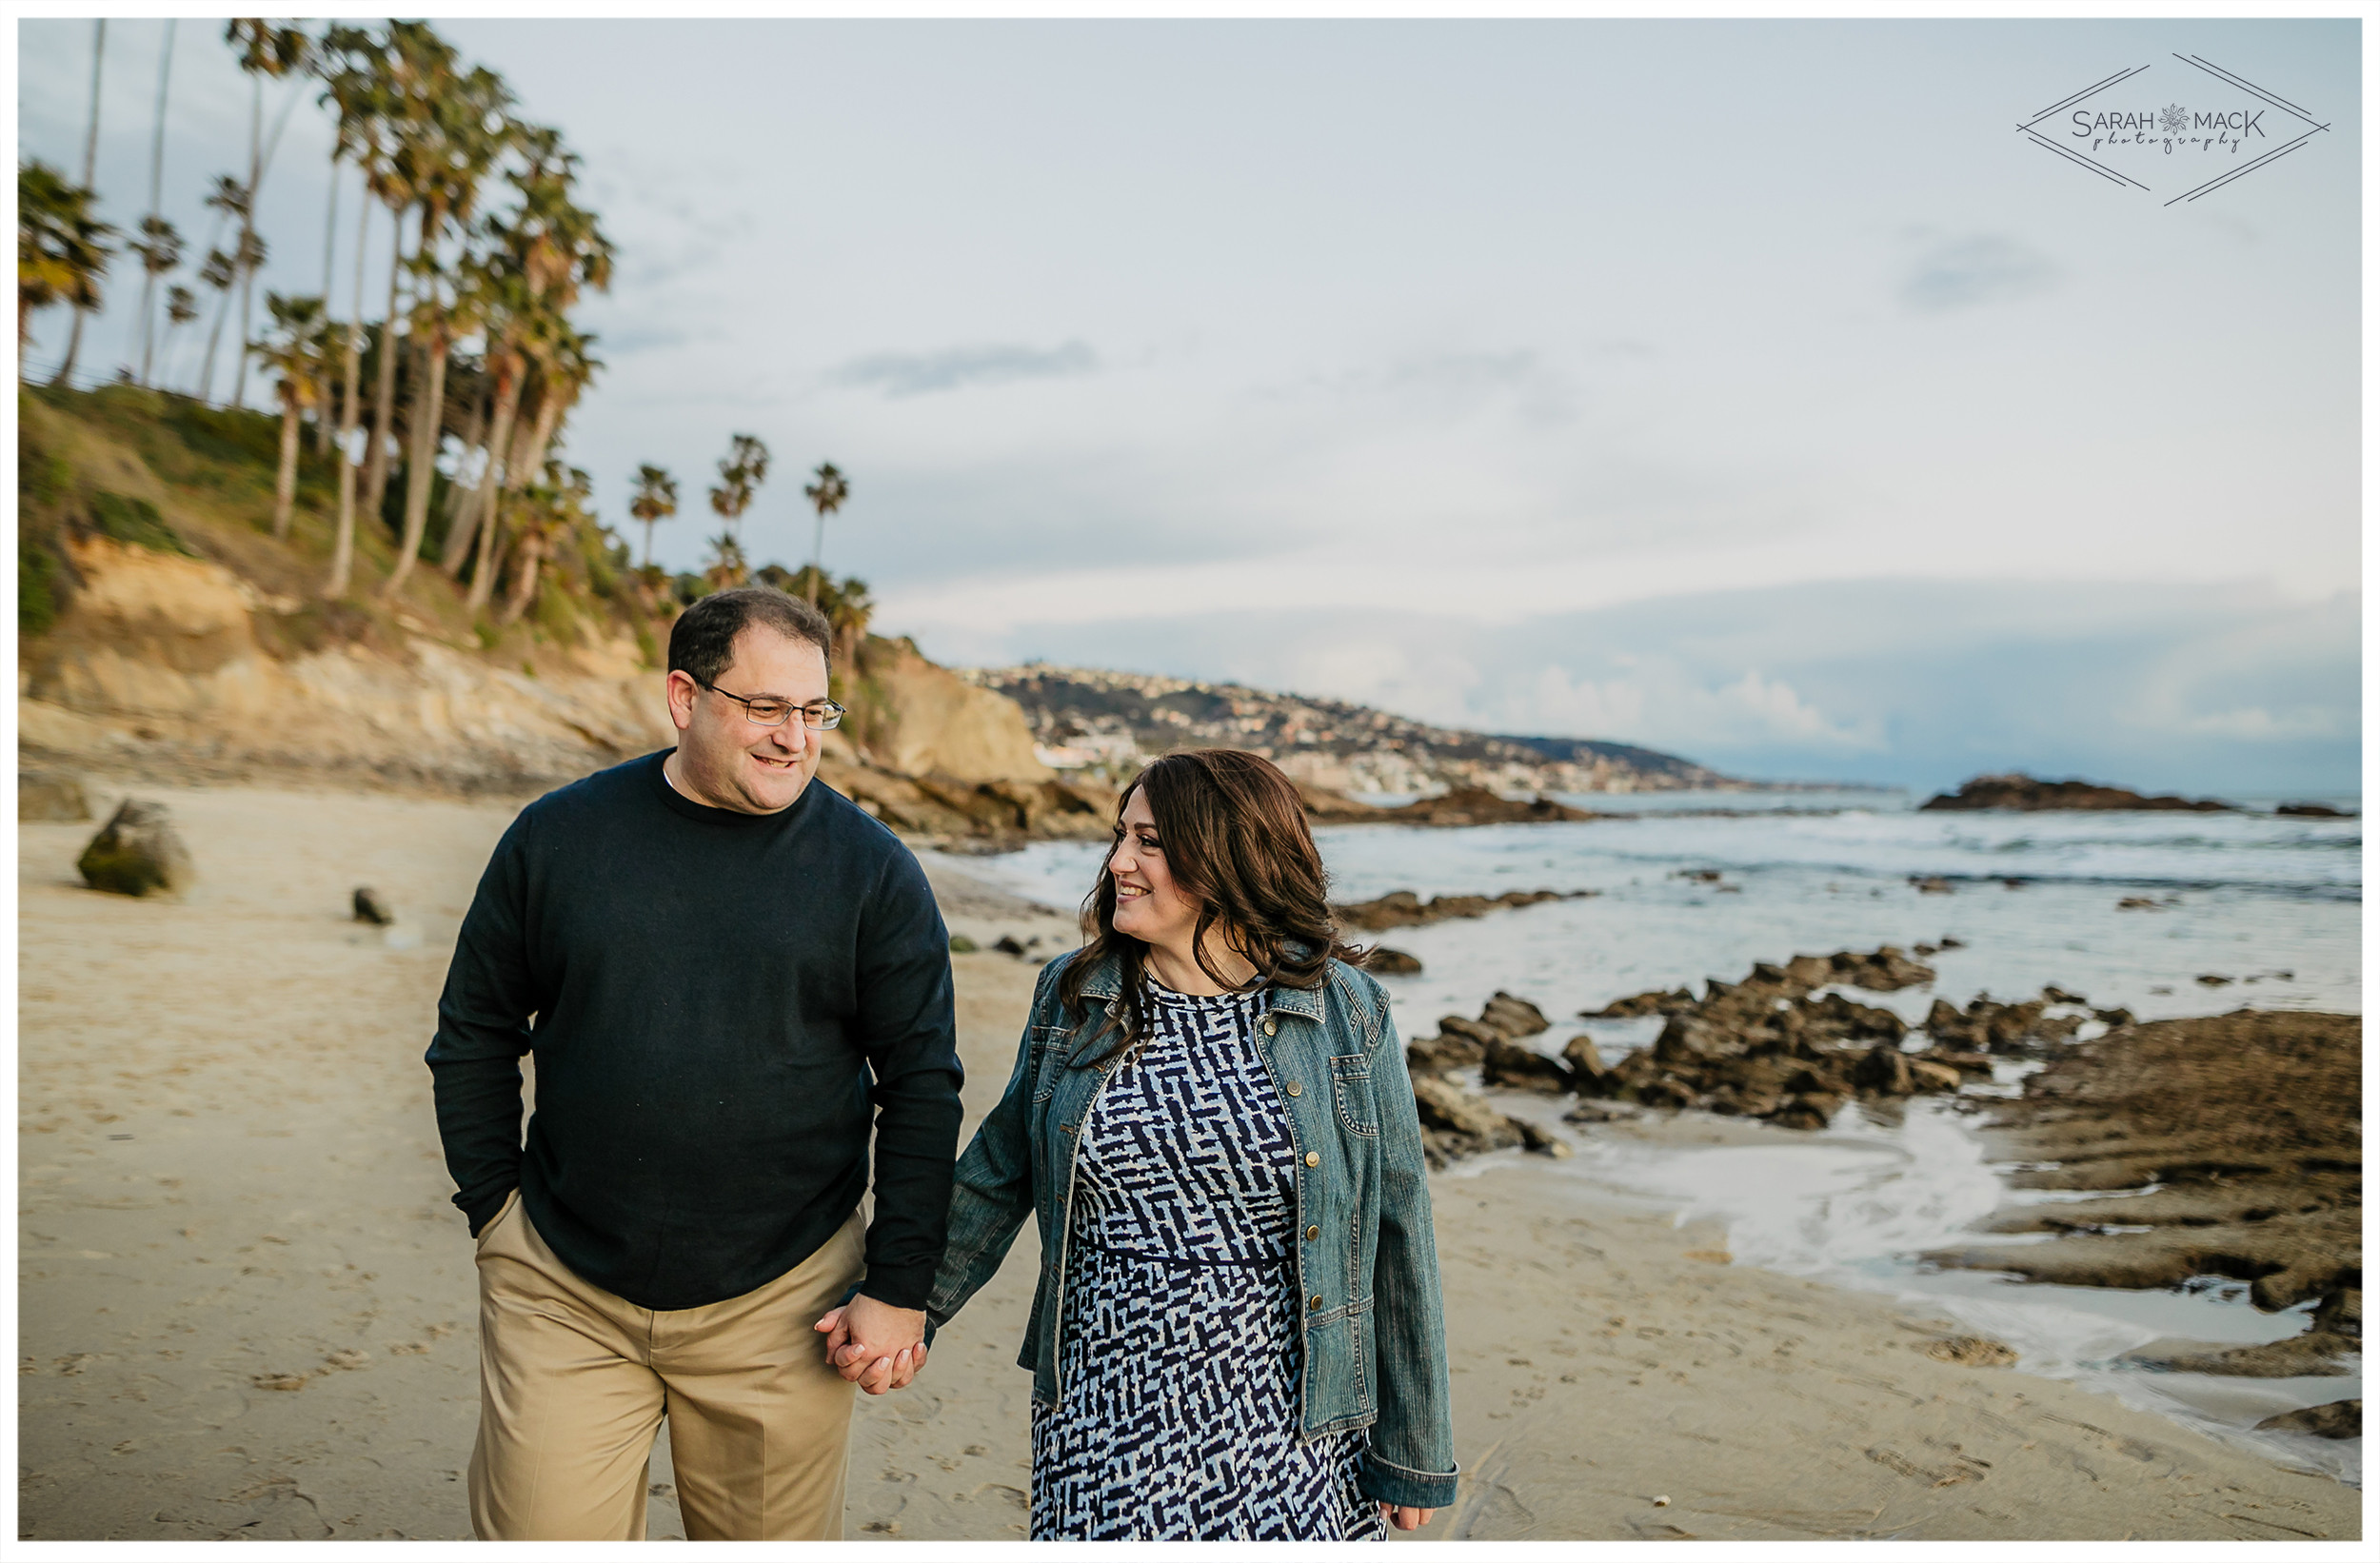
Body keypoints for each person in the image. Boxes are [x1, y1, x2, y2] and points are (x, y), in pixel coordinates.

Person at [426, 586, 962, 1541]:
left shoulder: (873, 873)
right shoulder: (557, 840)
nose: (793, 737)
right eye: (765, 707)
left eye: (813, 711)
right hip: (562, 1286)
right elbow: (474, 1027)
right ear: (685, 698)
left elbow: (920, 1087)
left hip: (784, 1301)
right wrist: (494, 1211)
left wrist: (898, 1284)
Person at [826, 747, 1457, 1539]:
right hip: (1102, 1411)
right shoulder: (1077, 996)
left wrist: (1414, 1446)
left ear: (1228, 858)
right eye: (1122, 836)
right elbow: (998, 1172)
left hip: (1294, 1422)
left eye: (1150, 842)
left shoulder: (1344, 1011)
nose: (1120, 861)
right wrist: (903, 1303)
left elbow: (1399, 1224)